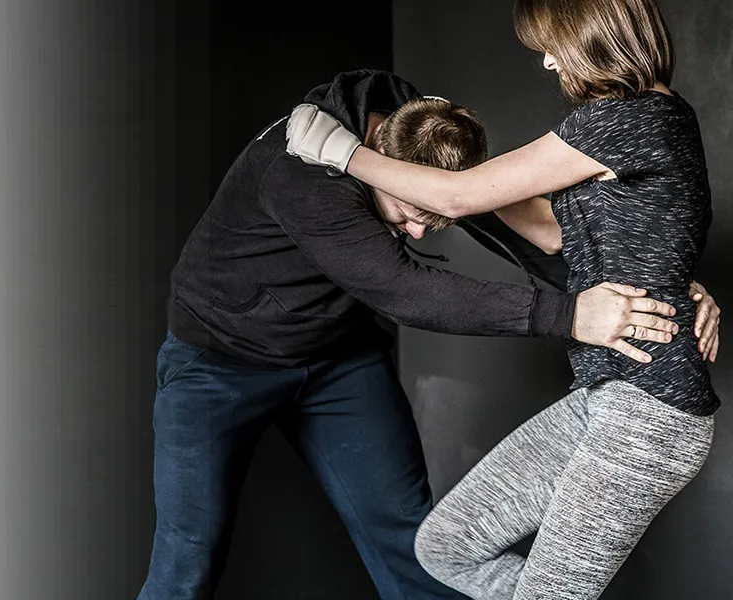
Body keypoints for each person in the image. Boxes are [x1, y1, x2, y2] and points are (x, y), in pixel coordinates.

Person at [138, 69, 715, 600]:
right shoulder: (298, 171)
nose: (416, 229)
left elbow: (520, 230)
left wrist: (650, 287)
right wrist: (570, 316)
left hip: (337, 358)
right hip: (221, 359)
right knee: (188, 553)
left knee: (413, 543)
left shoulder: (420, 133)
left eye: (431, 216)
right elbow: (405, 289)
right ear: (375, 160)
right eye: (407, 213)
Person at [284, 2, 722, 599]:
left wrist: (349, 155)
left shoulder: (626, 119)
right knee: (445, 546)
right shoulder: (651, 120)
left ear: (593, 36)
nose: (546, 61)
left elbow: (462, 198)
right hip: (605, 397)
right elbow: (552, 233)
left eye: (550, 44)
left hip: (649, 413)